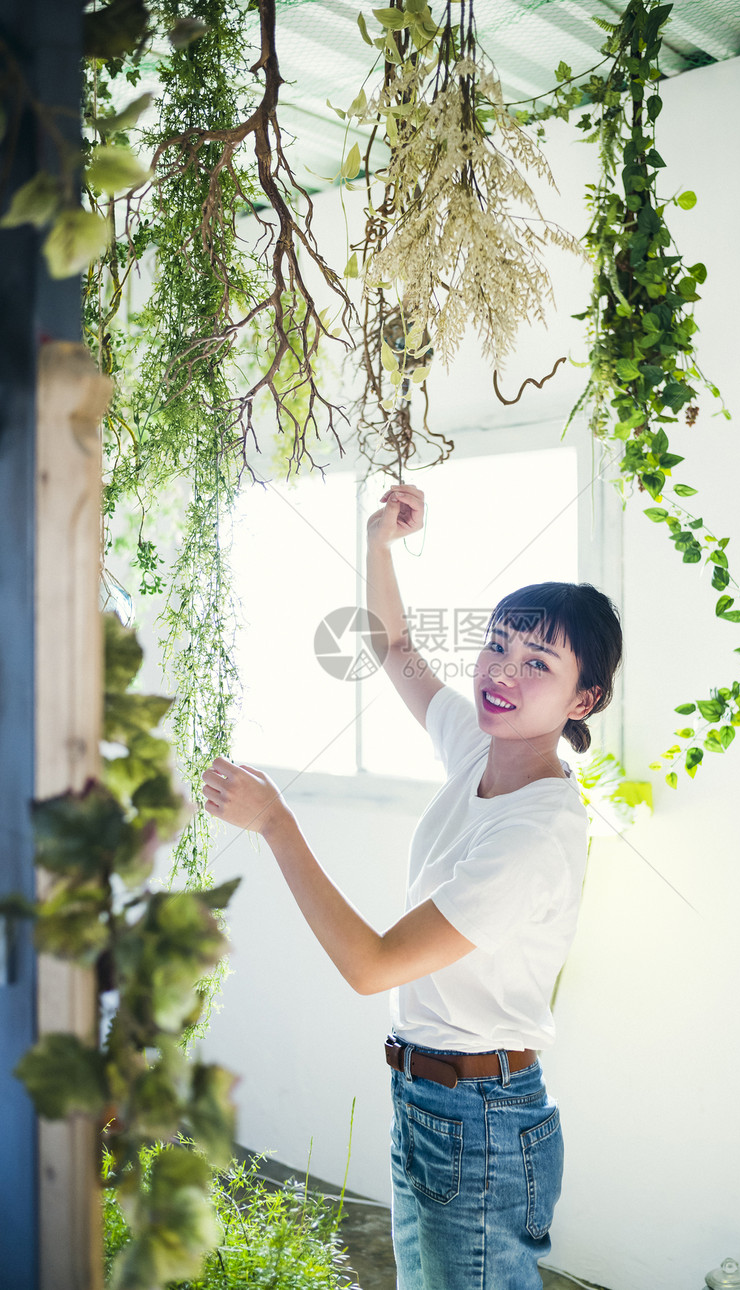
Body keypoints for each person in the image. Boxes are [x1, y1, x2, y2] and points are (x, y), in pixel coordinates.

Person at [201, 483, 623, 1290]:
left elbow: (371, 966)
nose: (503, 672)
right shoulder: (480, 750)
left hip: (485, 1124)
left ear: (583, 699)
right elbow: (394, 646)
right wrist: (376, 544)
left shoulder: (535, 832)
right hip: (427, 1097)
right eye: (498, 645)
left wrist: (279, 826)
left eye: (538, 663)